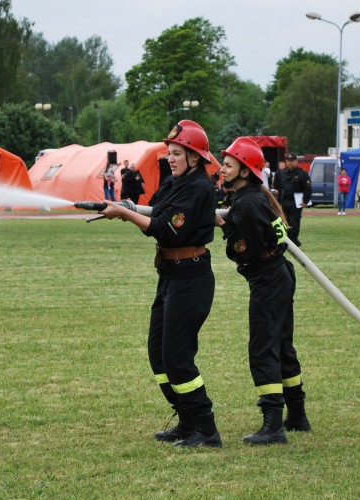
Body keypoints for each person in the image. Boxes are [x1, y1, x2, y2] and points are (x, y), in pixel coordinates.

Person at [100, 120, 221, 448]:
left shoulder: (200, 187)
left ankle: (206, 429)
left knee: (177, 356)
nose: (170, 158)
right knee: (159, 353)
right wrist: (124, 207)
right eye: (169, 152)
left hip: (192, 277)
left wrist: (125, 215)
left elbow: (167, 228)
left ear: (195, 157)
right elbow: (156, 209)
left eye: (177, 153)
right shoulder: (173, 183)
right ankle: (185, 419)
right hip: (170, 275)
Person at [215, 137, 311, 445]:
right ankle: (297, 414)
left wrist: (226, 228)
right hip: (280, 274)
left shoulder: (248, 203)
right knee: (282, 345)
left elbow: (245, 249)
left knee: (263, 348)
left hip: (268, 280)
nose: (222, 168)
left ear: (245, 170)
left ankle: (273, 424)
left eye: (228, 165)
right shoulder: (255, 198)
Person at [273, 152, 312, 246]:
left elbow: (308, 188)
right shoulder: (281, 173)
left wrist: (305, 201)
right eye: (288, 160)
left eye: (292, 161)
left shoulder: (301, 173)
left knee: (294, 222)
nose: (289, 163)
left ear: (296, 161)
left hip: (296, 202)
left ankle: (293, 241)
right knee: (284, 222)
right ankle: (287, 241)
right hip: (284, 201)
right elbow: (277, 186)